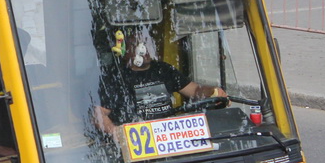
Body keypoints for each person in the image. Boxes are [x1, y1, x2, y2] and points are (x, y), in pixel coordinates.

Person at [94, 29, 226, 136]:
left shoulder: (163, 69)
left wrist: (213, 91)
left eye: (146, 43)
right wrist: (117, 133)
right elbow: (99, 113)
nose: (143, 49)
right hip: (138, 140)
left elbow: (195, 91)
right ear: (125, 51)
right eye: (136, 45)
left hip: (167, 136)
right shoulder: (117, 78)